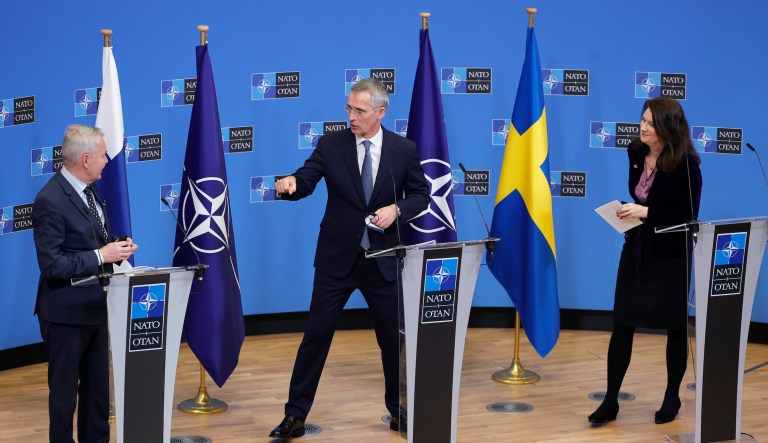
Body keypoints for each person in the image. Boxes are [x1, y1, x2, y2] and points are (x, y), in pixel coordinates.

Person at [269, 78, 430, 439]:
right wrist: (290, 184)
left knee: (393, 341)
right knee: (316, 336)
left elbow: (421, 196)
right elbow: (306, 179)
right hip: (336, 261)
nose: (352, 117)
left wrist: (397, 210)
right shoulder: (332, 144)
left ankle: (399, 411)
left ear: (381, 112)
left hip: (382, 259)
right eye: (349, 109)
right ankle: (295, 415)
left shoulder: (403, 150)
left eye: (360, 110)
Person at [588, 98, 702, 426]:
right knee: (623, 323)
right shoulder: (636, 152)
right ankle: (610, 400)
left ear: (668, 127)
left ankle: (672, 396)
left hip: (671, 256)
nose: (643, 127)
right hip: (637, 247)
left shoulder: (686, 165)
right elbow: (642, 195)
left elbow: (687, 217)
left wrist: (647, 212)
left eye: (651, 123)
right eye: (643, 120)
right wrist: (629, 209)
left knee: (675, 326)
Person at [32, 124, 138, 443]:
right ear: (86, 159)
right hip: (65, 315)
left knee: (96, 395)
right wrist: (101, 255)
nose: (108, 160)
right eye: (103, 155)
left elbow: (91, 238)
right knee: (64, 398)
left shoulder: (89, 190)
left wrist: (116, 246)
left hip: (96, 307)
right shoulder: (50, 200)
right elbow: (53, 265)